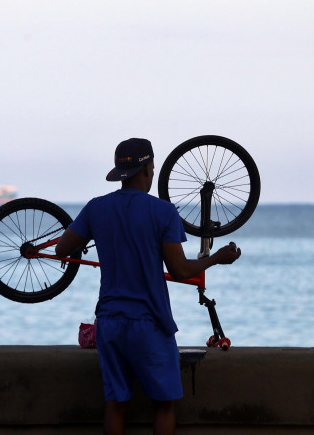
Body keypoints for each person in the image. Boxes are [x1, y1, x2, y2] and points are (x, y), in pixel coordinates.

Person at [55, 138, 241, 435]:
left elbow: (62, 249)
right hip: (150, 323)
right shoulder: (163, 211)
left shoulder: (96, 207)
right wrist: (217, 258)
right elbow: (180, 270)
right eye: (152, 168)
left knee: (115, 405)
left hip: (109, 323)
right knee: (164, 406)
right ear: (147, 170)